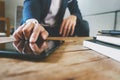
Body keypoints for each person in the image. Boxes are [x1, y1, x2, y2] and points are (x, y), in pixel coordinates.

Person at [13, 0, 89, 43]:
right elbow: (30, 3)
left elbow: (77, 12)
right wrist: (32, 21)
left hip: (57, 30)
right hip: (39, 27)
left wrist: (74, 16)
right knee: (28, 27)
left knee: (84, 25)